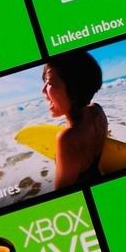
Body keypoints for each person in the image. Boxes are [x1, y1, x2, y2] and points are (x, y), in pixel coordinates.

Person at [42, 51, 108, 189]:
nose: (43, 91)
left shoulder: (67, 139)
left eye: (49, 82)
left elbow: (62, 193)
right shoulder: (97, 110)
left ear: (73, 90)